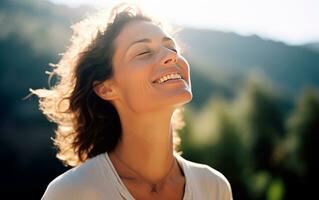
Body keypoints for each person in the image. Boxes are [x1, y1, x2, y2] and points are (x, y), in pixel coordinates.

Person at [33, 3, 232, 200]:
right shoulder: (71, 192)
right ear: (106, 88)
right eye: (144, 52)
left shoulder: (214, 187)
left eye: (172, 47)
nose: (171, 56)